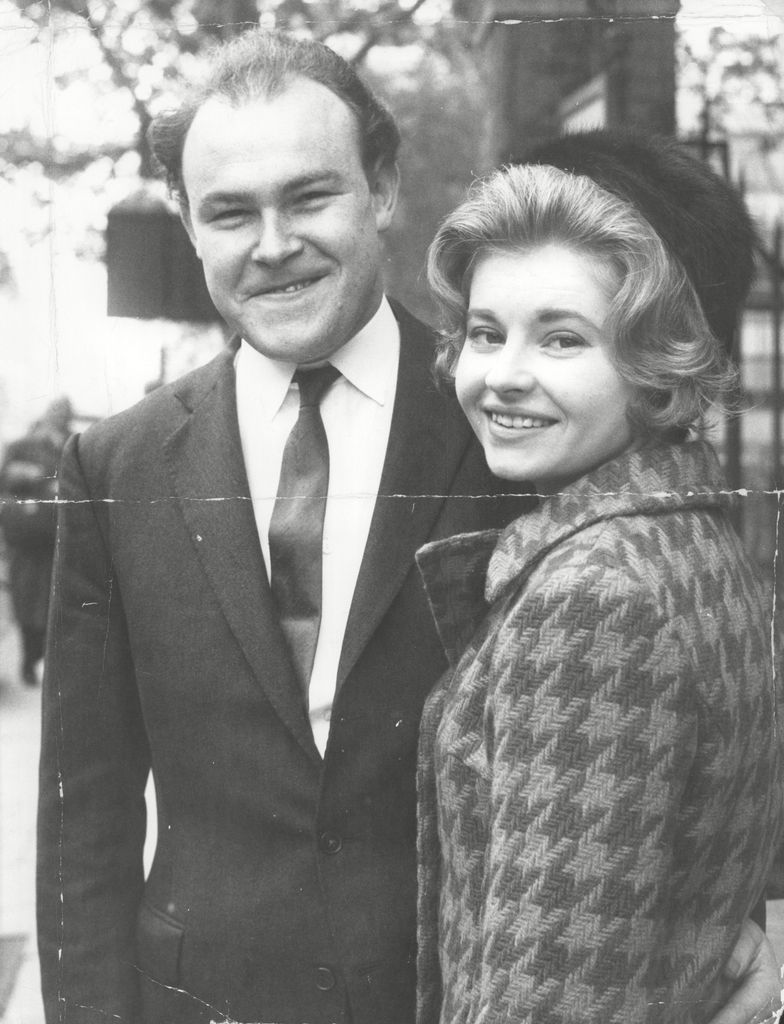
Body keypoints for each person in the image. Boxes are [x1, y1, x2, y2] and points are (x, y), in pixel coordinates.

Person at [35, 29, 778, 1024]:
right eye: (229, 212)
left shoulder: (519, 421)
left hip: (451, 990)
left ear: (380, 188)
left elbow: (690, 708)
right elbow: (82, 806)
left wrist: (741, 915)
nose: (271, 243)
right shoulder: (114, 463)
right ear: (188, 224)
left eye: (309, 196)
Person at [415, 137, 784, 1024]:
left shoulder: (595, 598)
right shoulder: (694, 542)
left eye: (562, 338)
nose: (502, 375)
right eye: (485, 331)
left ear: (660, 361)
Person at [0, 397, 72, 684]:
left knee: (52, 603)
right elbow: (5, 482)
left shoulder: (72, 444)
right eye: (56, 411)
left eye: (65, 413)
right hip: (26, 541)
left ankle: (42, 662)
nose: (60, 416)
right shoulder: (23, 446)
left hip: (57, 538)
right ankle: (29, 661)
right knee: (27, 603)